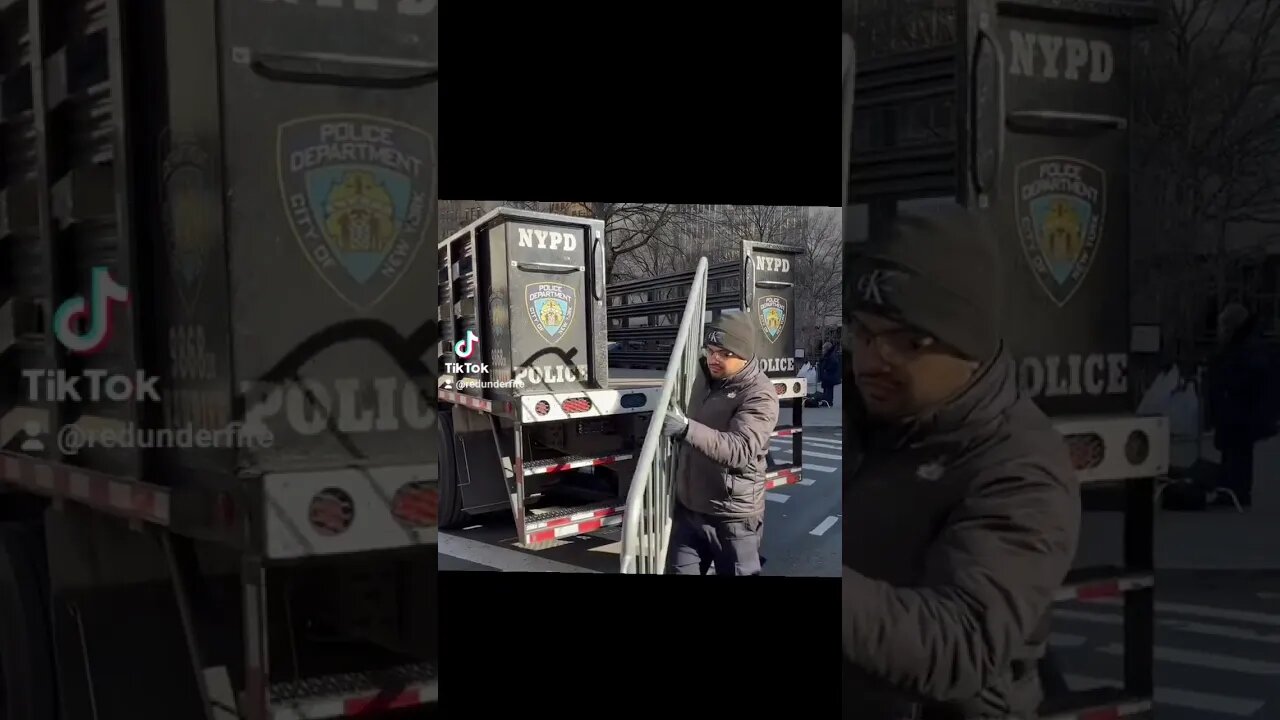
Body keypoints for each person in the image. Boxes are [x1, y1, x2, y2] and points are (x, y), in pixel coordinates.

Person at [842, 205, 1081, 720]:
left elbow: (961, 641)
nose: (869, 360)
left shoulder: (1020, 466)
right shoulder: (861, 413)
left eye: (907, 342)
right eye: (861, 332)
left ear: (969, 346)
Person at [661, 309, 779, 576]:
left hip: (733, 518)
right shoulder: (704, 375)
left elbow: (741, 449)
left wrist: (686, 428)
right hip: (690, 511)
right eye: (711, 350)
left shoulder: (760, 394)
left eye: (725, 353)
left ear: (745, 355)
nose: (714, 358)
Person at [1205, 303, 1273, 509]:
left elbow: (1244, 377)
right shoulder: (1249, 344)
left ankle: (1234, 492)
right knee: (1236, 451)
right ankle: (1235, 491)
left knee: (1236, 451)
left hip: (1238, 410)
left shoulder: (1244, 348)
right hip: (1241, 410)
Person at [820, 340, 843, 406]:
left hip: (829, 375)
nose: (822, 350)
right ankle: (826, 401)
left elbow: (834, 364)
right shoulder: (829, 355)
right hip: (828, 375)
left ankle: (828, 401)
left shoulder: (831, 356)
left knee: (828, 389)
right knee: (827, 389)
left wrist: (826, 368)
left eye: (823, 349)